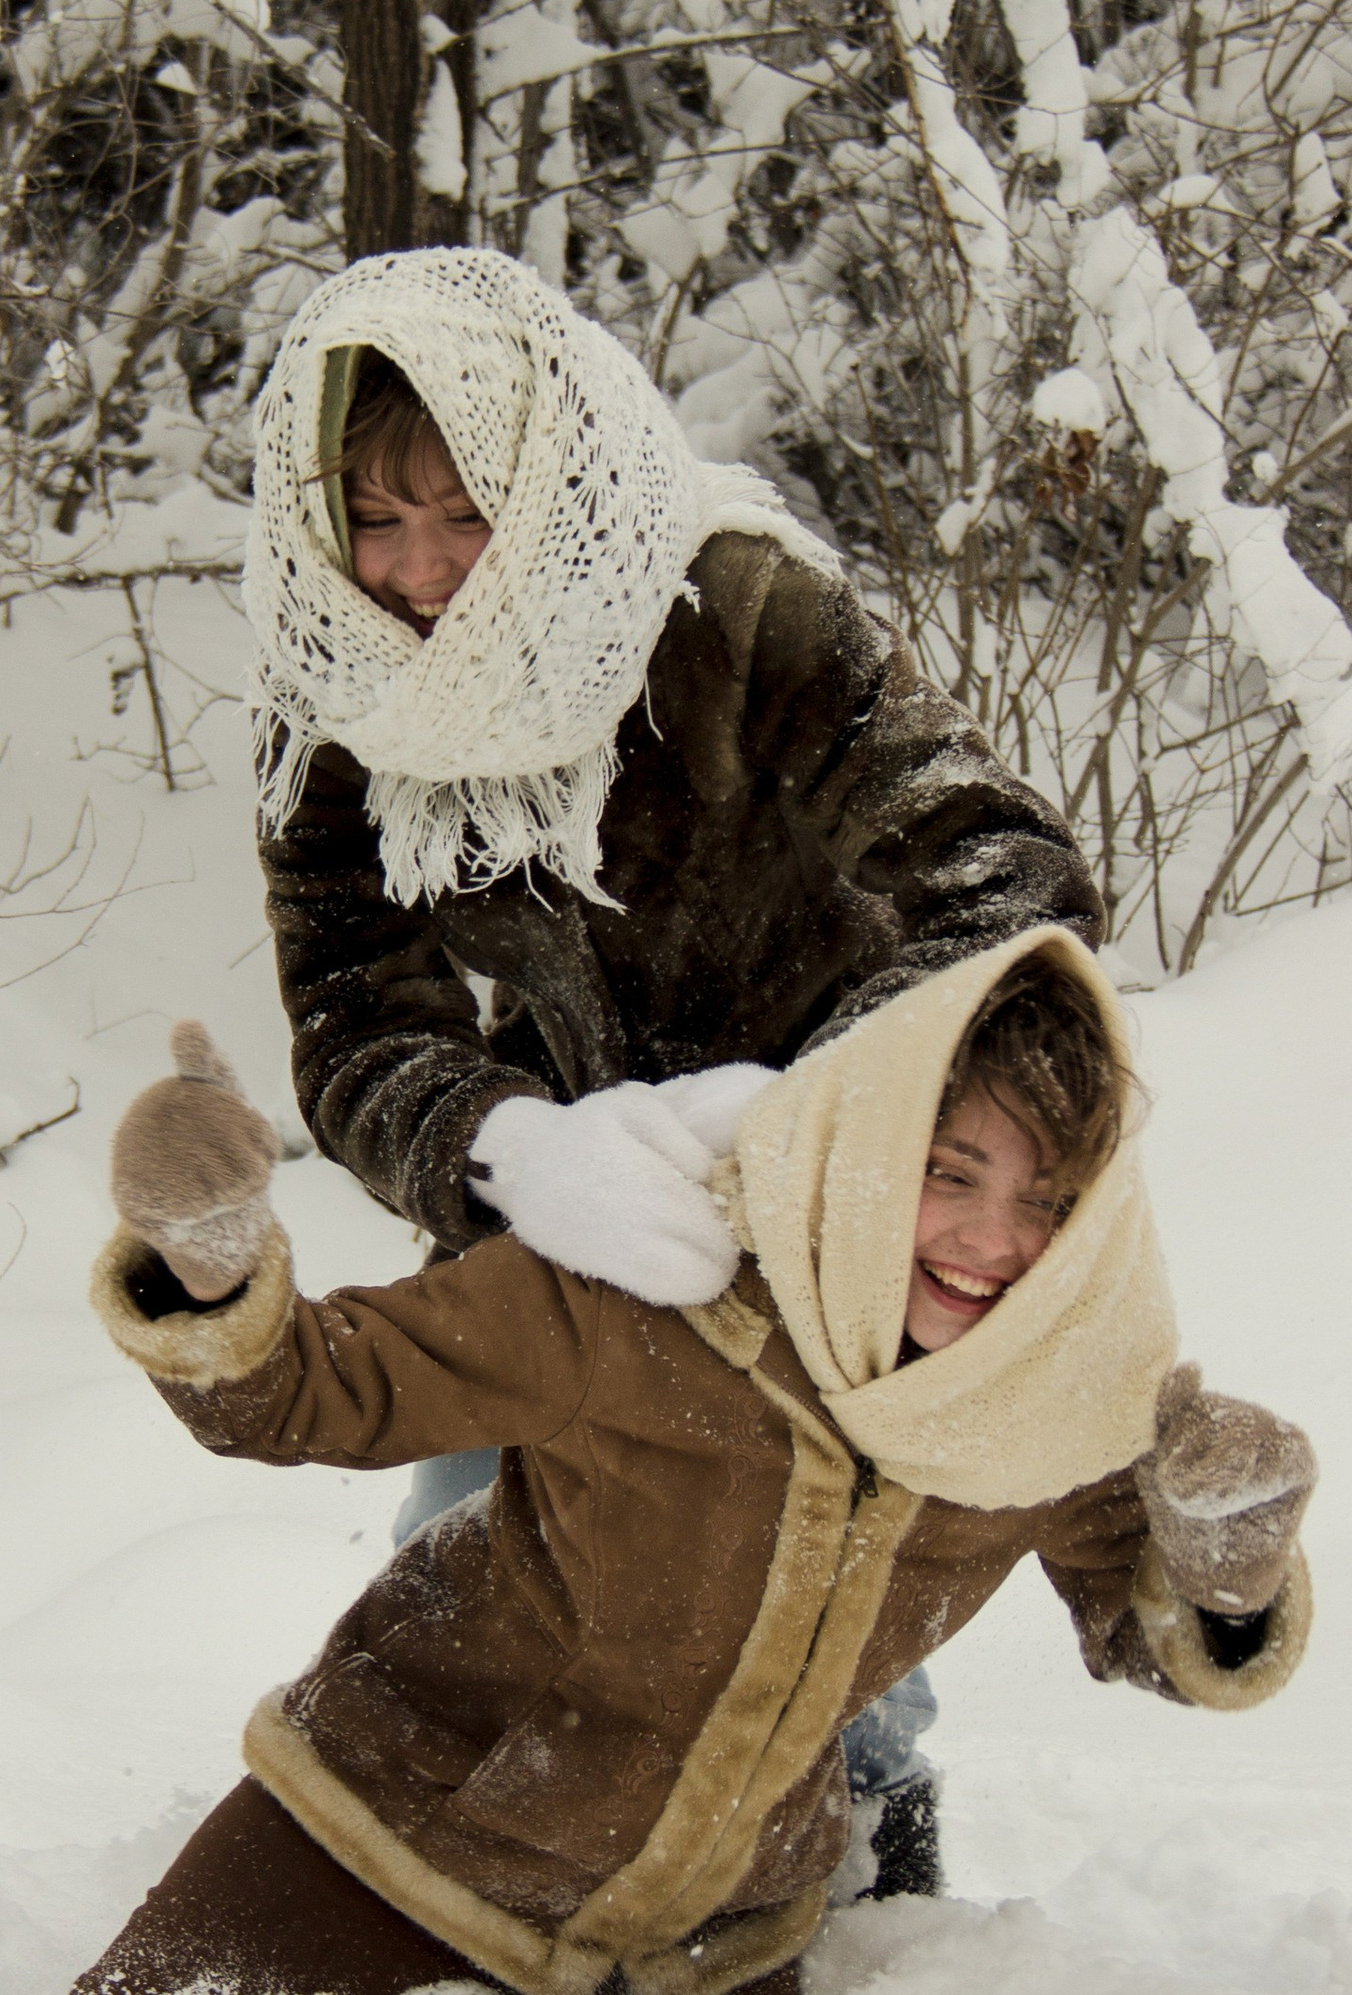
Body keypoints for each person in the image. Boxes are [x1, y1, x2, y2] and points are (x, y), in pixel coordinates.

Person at [239, 249, 1107, 1891]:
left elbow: (1014, 879)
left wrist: (810, 1129)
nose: (415, 569)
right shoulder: (333, 687)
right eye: (373, 516)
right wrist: (503, 1151)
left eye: (465, 511)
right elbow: (356, 1011)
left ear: (551, 475)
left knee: (800, 1595)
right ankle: (456, 1907)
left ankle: (862, 1875)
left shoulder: (726, 604)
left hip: (847, 1190)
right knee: (471, 1555)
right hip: (576, 1191)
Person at [68, 927, 1316, 1995]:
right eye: (949, 1171)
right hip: (386, 1850)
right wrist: (208, 1261)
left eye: (1048, 1200)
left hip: (709, 1961)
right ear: (873, 1141)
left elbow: (1154, 1634)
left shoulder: (1048, 1396)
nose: (994, 1243)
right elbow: (313, 1391)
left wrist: (1228, 1563)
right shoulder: (654, 1286)